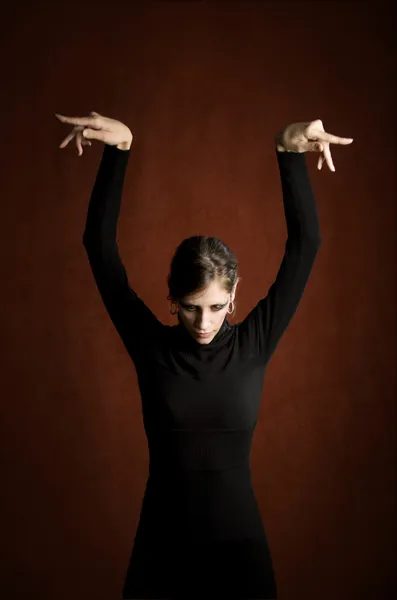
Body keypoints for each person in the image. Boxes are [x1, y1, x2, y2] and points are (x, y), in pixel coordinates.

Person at [55, 111, 353, 599]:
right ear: (173, 300)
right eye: (191, 309)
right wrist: (120, 149)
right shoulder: (151, 347)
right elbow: (99, 247)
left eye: (216, 307)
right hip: (162, 547)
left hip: (241, 550)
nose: (204, 322)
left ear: (234, 297)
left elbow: (307, 244)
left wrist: (288, 153)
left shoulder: (255, 341)